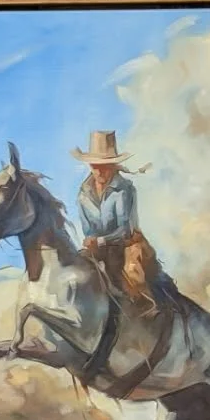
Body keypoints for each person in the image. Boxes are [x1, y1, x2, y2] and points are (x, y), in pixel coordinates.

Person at [73, 130, 161, 314]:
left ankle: (148, 305)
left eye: (104, 166)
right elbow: (88, 230)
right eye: (95, 166)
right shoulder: (83, 194)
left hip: (126, 245)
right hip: (98, 248)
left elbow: (125, 230)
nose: (99, 171)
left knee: (132, 272)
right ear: (90, 165)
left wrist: (100, 241)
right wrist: (92, 241)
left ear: (113, 166)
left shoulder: (125, 189)